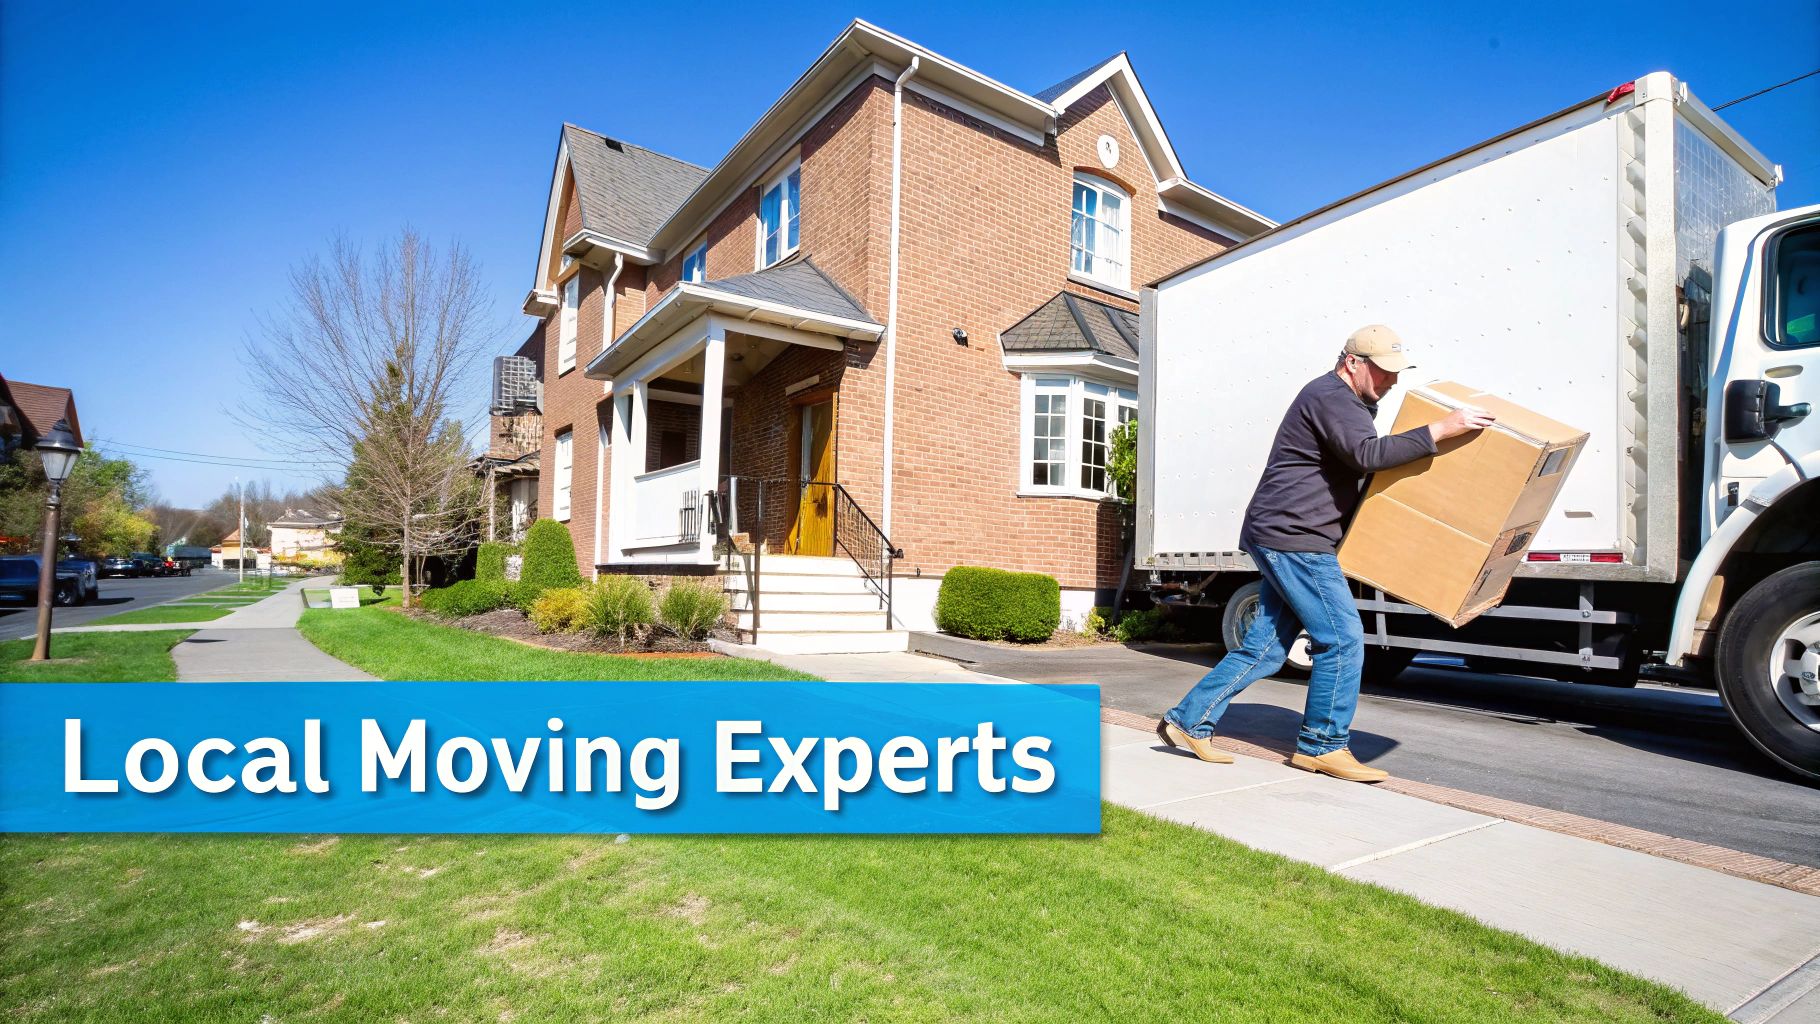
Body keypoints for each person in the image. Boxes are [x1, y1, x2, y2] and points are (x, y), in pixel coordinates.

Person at [1157, 325, 1494, 782]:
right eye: (1382, 371)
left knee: (1265, 650)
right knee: (1343, 638)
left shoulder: (1349, 402)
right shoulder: (1331, 396)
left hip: (1288, 533)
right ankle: (1322, 745)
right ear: (1352, 362)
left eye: (1395, 372)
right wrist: (1442, 428)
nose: (1391, 381)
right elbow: (1366, 454)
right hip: (1293, 536)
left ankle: (1186, 720)